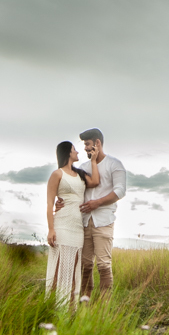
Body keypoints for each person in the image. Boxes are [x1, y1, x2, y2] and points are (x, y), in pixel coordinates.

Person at [45, 140, 101, 306]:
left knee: (74, 269)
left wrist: (93, 161)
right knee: (58, 268)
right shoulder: (57, 174)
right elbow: (49, 203)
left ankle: (70, 309)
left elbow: (95, 181)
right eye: (74, 149)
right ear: (68, 153)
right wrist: (51, 229)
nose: (77, 152)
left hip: (77, 227)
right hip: (62, 225)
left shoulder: (80, 174)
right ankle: (51, 307)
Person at [76, 128, 127, 299]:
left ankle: (104, 308)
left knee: (104, 265)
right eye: (84, 145)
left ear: (97, 143)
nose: (85, 148)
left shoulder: (115, 164)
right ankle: (85, 303)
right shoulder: (83, 167)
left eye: (87, 144)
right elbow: (76, 191)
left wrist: (97, 203)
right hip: (84, 222)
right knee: (85, 265)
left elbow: (120, 191)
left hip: (104, 221)